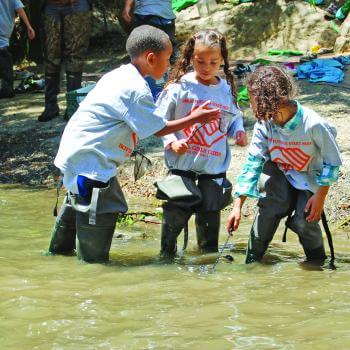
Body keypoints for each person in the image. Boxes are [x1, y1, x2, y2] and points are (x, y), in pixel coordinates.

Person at [47, 25, 220, 264]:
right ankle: (90, 276)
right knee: (97, 222)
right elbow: (158, 127)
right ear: (151, 58)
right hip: (91, 163)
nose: (169, 65)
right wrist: (197, 117)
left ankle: (56, 259)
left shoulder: (118, 74)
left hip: (78, 157)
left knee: (77, 204)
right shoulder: (136, 90)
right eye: (167, 59)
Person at [226, 65, 342, 264]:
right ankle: (252, 262)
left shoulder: (313, 124)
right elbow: (253, 164)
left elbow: (332, 163)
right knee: (268, 211)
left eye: (253, 102)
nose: (251, 108)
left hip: (310, 178)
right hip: (279, 172)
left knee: (306, 222)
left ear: (268, 100)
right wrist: (237, 206)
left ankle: (317, 263)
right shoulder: (264, 124)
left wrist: (320, 196)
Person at [155, 29, 248, 260]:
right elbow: (159, 121)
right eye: (200, 61)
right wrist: (171, 142)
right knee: (177, 209)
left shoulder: (226, 89)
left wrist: (239, 131)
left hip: (213, 166)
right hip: (182, 163)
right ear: (190, 59)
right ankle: (165, 255)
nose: (206, 67)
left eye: (213, 62)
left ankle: (207, 260)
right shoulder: (179, 86)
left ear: (223, 61)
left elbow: (235, 116)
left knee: (210, 212)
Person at [38, 0, 92, 122]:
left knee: (75, 54)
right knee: (51, 54)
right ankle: (50, 106)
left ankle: (72, 105)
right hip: (51, 6)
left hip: (77, 5)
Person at [0, 0, 35, 98]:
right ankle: (7, 89)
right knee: (4, 57)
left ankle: (7, 90)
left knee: (4, 57)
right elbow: (19, 8)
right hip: (6, 29)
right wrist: (28, 26)